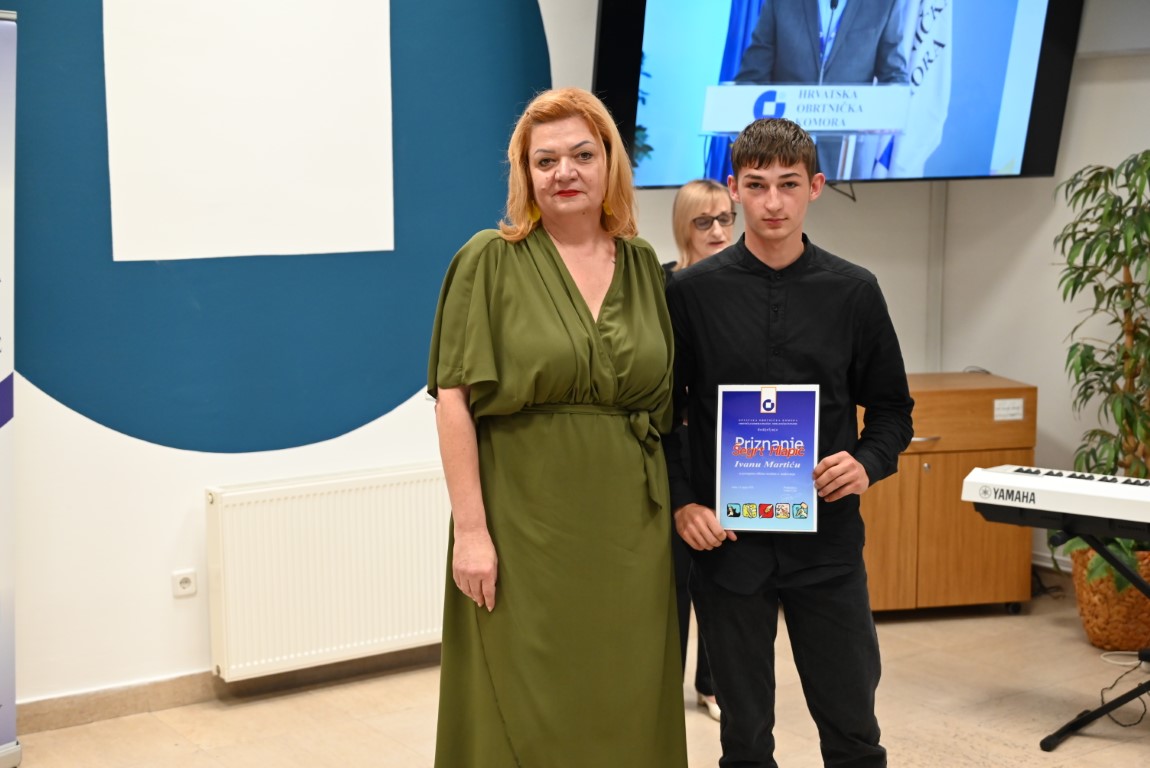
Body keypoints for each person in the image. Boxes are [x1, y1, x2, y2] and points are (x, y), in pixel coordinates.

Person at [428, 87, 688, 768]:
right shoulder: (488, 259)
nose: (564, 172)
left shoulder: (643, 265)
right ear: (526, 174)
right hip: (524, 526)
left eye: (581, 154)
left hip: (631, 532)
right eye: (545, 160)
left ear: (609, 163)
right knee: (521, 697)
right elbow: (452, 402)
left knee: (625, 694)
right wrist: (472, 533)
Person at [664, 117, 914, 767]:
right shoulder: (690, 294)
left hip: (827, 545)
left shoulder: (854, 291)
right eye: (756, 185)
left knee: (853, 731)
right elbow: (665, 415)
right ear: (733, 189)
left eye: (788, 184)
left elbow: (893, 411)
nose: (772, 202)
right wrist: (684, 502)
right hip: (728, 547)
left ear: (816, 187)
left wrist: (866, 464)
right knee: (743, 739)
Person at [664, 178, 736, 722]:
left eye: (725, 219)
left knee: (725, 565)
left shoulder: (744, 281)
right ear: (683, 227)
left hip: (732, 442)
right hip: (677, 441)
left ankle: (713, 684)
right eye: (704, 221)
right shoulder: (662, 285)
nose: (717, 231)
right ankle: (665, 685)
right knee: (675, 575)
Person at [734, 0, 910, 180]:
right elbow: (752, 74)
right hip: (781, 151)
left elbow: (894, 76)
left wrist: (885, 110)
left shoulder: (884, 4)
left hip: (845, 159)